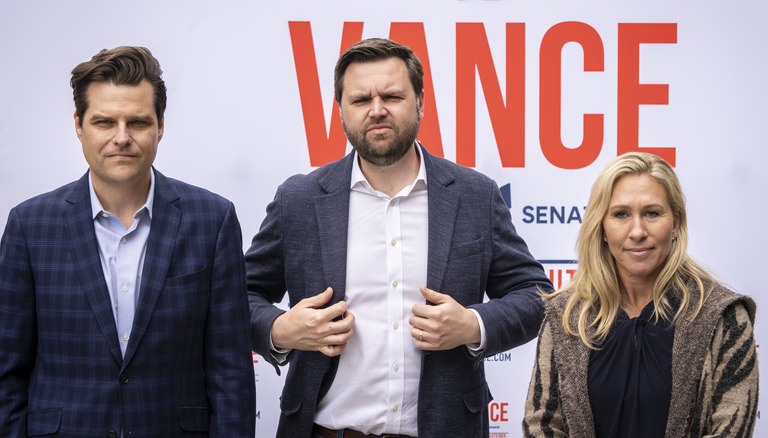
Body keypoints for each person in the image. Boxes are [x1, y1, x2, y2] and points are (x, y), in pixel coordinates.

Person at [245, 38, 553, 438]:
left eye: (392, 95)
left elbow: (536, 295)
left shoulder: (474, 195)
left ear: (420, 101)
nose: (377, 110)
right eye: (360, 100)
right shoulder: (299, 200)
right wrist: (282, 329)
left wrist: (472, 325)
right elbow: (238, 295)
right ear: (340, 109)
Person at [0, 46, 256, 437]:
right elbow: (7, 370)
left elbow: (231, 373)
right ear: (79, 125)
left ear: (160, 126)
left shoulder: (212, 220)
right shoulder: (29, 224)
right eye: (105, 122)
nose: (122, 138)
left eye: (137, 122)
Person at [523, 152, 758, 437]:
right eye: (621, 214)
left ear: (675, 223)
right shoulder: (566, 315)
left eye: (652, 213)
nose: (637, 231)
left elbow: (732, 431)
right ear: (602, 227)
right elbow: (542, 425)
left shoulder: (723, 316)